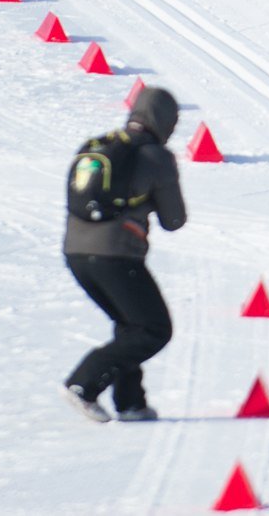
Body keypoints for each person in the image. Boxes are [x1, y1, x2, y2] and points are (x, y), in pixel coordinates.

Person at [62, 85, 187, 424]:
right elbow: (174, 220)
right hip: (116, 256)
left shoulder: (96, 146)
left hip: (75, 253)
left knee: (131, 325)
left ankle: (131, 404)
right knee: (153, 329)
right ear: (166, 122)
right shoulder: (156, 156)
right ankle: (83, 384)